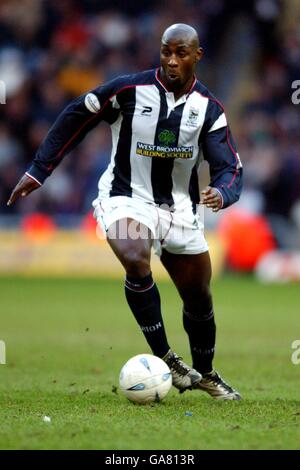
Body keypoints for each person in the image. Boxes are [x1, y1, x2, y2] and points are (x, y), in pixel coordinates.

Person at [8, 24, 243, 400]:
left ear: (197, 56)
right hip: (126, 196)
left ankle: (206, 373)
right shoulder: (128, 90)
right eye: (166, 51)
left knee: (199, 297)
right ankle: (166, 356)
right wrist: (40, 168)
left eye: (181, 53)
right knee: (136, 257)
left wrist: (223, 191)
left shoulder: (210, 110)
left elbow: (229, 166)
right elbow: (75, 114)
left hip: (180, 210)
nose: (171, 60)